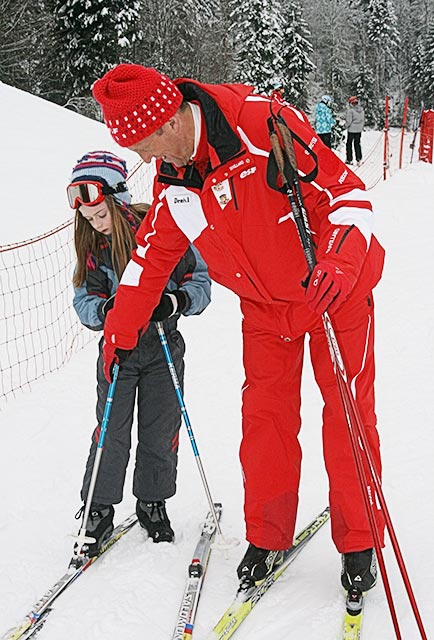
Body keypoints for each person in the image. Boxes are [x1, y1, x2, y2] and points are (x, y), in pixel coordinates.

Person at [91, 64, 385, 593]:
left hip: (332, 294)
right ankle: (268, 535)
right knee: (264, 423)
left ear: (170, 122)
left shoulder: (262, 126)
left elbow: (350, 197)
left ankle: (360, 538)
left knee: (346, 416)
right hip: (266, 311)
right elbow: (148, 261)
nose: (149, 162)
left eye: (148, 147)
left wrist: (340, 262)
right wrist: (120, 329)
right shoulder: (175, 182)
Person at [69, 150, 211, 554]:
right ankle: (97, 507)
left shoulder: (159, 228)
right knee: (110, 431)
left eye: (100, 214)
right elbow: (84, 299)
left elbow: (200, 278)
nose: (96, 224)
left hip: (164, 344)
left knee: (160, 427)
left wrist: (178, 301)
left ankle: (153, 500)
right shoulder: (93, 248)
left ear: (119, 199)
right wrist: (106, 309)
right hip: (119, 351)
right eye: (88, 218)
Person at [345, 96, 365, 166]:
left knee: (349, 144)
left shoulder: (350, 111)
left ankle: (349, 159)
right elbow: (363, 120)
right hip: (359, 130)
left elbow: (349, 121)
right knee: (357, 144)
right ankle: (359, 158)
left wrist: (346, 126)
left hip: (351, 130)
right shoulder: (362, 110)